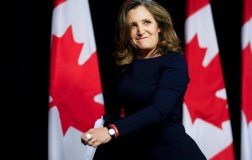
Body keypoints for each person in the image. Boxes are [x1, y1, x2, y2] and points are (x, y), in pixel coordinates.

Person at [81, 0, 207, 159]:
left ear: (159, 27)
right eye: (133, 25)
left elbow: (158, 111)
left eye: (147, 22)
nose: (141, 31)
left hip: (172, 152)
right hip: (137, 152)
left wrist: (111, 131)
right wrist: (99, 130)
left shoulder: (174, 62)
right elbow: (132, 111)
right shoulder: (126, 64)